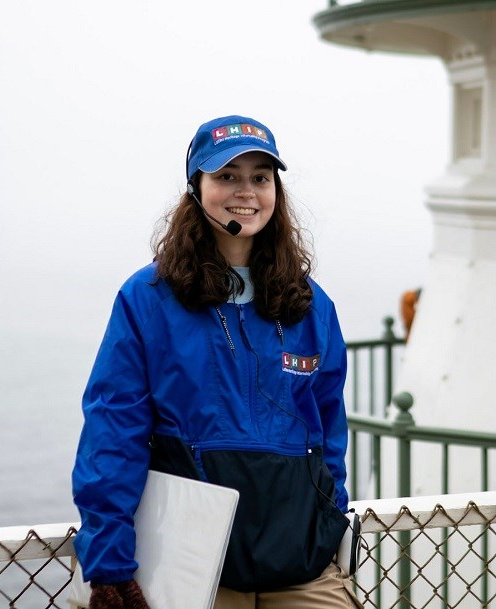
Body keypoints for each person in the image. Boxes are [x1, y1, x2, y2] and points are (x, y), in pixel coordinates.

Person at [72, 115, 363, 609]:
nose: (245, 191)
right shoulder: (147, 298)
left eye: (260, 177)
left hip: (301, 564)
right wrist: (109, 560)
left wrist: (329, 517)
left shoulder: (312, 306)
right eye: (226, 175)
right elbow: (114, 429)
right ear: (195, 189)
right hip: (192, 563)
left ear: (276, 190)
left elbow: (328, 430)